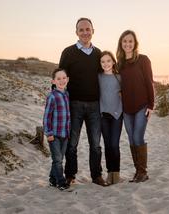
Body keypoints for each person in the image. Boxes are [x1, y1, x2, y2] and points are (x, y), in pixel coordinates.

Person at [59, 17, 108, 186]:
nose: (85, 32)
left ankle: (97, 176)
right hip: (74, 105)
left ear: (93, 31)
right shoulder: (68, 52)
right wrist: (57, 100)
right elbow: (61, 77)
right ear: (76, 32)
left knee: (95, 144)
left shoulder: (98, 53)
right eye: (81, 30)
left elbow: (106, 77)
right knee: (72, 144)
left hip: (95, 105)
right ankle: (70, 175)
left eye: (88, 29)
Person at [116, 30, 154, 183]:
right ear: (121, 44)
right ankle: (137, 172)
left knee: (138, 137)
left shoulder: (143, 60)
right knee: (131, 139)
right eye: (125, 41)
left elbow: (149, 83)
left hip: (142, 106)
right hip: (126, 108)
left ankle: (143, 172)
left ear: (135, 43)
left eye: (130, 41)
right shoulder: (119, 64)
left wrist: (151, 105)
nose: (127, 44)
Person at [43, 68, 70, 191]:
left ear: (67, 79)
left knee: (59, 159)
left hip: (65, 134)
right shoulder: (52, 96)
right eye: (58, 79)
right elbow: (47, 116)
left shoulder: (67, 95)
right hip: (54, 134)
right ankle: (61, 181)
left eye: (64, 78)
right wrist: (48, 133)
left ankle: (52, 179)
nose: (62, 81)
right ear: (53, 81)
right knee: (58, 160)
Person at [98, 51, 123, 185]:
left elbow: (126, 94)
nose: (106, 64)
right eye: (103, 61)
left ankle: (116, 173)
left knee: (114, 144)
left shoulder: (119, 77)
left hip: (117, 115)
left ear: (113, 62)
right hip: (103, 115)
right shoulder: (98, 77)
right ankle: (109, 174)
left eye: (108, 61)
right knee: (107, 145)